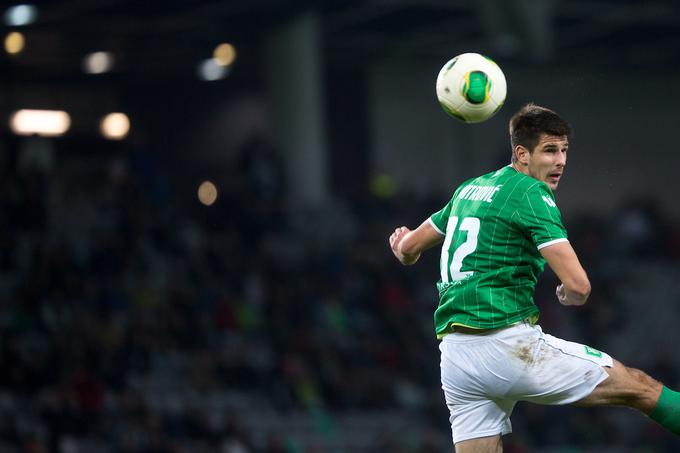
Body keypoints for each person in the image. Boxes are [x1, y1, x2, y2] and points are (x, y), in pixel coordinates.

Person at [388, 103, 680, 452]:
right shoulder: (531, 193)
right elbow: (579, 286)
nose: (560, 161)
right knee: (640, 388)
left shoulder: (468, 189)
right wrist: (571, 295)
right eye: (550, 150)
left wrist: (402, 243)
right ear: (521, 154)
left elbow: (408, 249)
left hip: (456, 360)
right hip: (508, 346)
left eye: (564, 151)